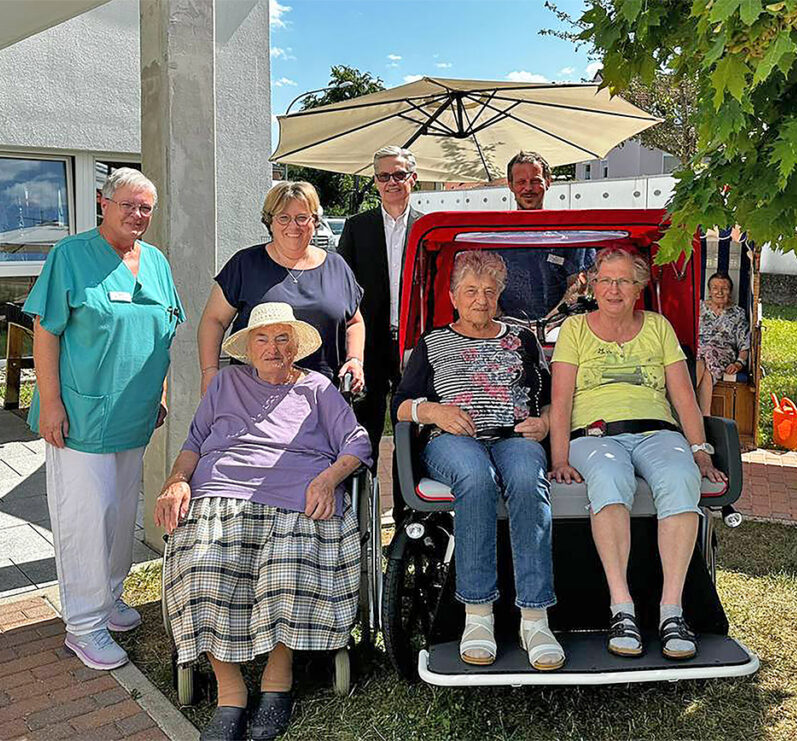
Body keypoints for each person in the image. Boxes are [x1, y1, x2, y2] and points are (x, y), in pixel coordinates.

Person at [156, 303, 371, 741]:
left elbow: (358, 441)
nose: (273, 349)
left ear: (296, 346)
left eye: (282, 339)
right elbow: (194, 442)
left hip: (299, 496)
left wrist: (329, 479)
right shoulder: (226, 384)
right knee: (201, 570)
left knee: (286, 573)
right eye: (262, 339)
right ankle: (230, 691)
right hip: (222, 491)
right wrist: (177, 480)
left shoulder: (318, 388)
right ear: (248, 349)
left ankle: (278, 679)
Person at [25, 167, 183, 670]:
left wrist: (159, 392)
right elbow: (46, 332)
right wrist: (50, 403)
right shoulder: (69, 256)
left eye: (146, 208)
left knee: (118, 517)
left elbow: (164, 333)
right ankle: (84, 625)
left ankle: (110, 599)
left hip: (133, 416)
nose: (138, 215)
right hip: (80, 414)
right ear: (103, 202)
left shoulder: (155, 261)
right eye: (128, 204)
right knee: (84, 520)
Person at [549, 246, 726, 661]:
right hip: (595, 435)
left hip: (658, 431)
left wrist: (699, 450)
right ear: (593, 284)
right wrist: (558, 459)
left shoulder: (658, 327)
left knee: (681, 476)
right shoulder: (574, 330)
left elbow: (684, 398)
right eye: (606, 280)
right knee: (611, 479)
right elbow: (560, 403)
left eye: (623, 280)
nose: (613, 289)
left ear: (639, 287)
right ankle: (622, 609)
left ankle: (672, 611)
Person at [393, 251, 564, 671]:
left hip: (515, 435)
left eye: (489, 291)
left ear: (499, 295)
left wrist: (543, 423)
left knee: (527, 478)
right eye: (471, 291)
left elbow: (548, 399)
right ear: (453, 296)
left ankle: (535, 619)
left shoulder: (522, 338)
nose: (481, 300)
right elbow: (399, 406)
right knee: (476, 478)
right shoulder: (432, 342)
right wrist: (434, 412)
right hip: (453, 439)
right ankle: (478, 616)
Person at [198, 181, 364, 397]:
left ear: (314, 221)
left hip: (324, 397)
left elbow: (354, 321)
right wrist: (209, 371)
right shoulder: (245, 264)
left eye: (302, 217)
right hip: (253, 395)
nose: (293, 226)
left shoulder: (337, 266)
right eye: (283, 217)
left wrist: (354, 359)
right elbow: (214, 320)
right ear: (270, 222)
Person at [338, 146, 423, 474]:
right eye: (384, 176)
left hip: (414, 343)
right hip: (369, 341)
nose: (391, 182)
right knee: (365, 428)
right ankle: (362, 514)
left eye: (399, 175)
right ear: (375, 182)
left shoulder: (426, 228)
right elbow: (343, 288)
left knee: (413, 429)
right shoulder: (357, 227)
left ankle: (413, 519)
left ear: (412, 179)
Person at [496, 151, 595, 319]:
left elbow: (579, 283)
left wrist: (549, 323)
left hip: (557, 329)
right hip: (504, 330)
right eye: (521, 182)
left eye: (535, 181)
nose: (528, 188)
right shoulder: (493, 236)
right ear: (510, 185)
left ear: (548, 182)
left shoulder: (569, 235)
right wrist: (504, 325)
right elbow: (481, 284)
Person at [696, 271, 750, 415]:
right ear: (709, 291)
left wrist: (739, 363)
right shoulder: (699, 308)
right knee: (706, 368)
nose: (719, 292)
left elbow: (744, 341)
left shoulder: (737, 313)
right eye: (715, 288)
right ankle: (704, 418)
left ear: (730, 291)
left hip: (723, 353)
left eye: (724, 288)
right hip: (699, 354)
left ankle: (684, 401)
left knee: (707, 353)